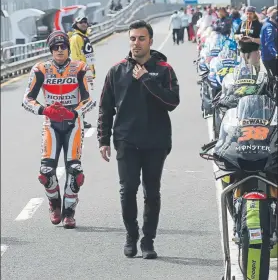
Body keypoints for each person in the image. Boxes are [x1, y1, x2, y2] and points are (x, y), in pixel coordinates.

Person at [97, 20, 180, 259]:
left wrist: (146, 79)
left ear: (150, 41)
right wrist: (103, 140)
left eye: (141, 38)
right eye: (132, 38)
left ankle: (148, 241)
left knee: (152, 192)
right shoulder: (116, 70)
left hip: (156, 142)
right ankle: (131, 236)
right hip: (126, 141)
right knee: (127, 189)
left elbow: (172, 102)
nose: (136, 43)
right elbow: (105, 107)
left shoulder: (164, 69)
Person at [22, 31, 94, 229]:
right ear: (51, 49)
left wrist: (74, 113)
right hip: (51, 123)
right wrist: (44, 109)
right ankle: (54, 203)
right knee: (46, 172)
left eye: (63, 46)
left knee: (75, 171)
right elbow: (26, 99)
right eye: (56, 47)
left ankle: (69, 211)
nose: (60, 50)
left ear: (68, 49)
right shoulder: (40, 69)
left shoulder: (80, 67)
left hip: (73, 123)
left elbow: (89, 100)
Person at [69, 16, 96, 129]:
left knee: (83, 97)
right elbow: (76, 57)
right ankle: (78, 120)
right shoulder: (76, 38)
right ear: (76, 24)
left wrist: (91, 72)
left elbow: (89, 56)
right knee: (80, 97)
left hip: (86, 72)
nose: (84, 24)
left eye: (85, 22)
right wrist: (81, 71)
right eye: (81, 22)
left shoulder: (84, 37)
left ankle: (79, 120)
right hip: (80, 72)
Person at [234, 6, 262, 72]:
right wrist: (239, 36)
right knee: (243, 73)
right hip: (242, 52)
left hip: (253, 52)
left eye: (250, 13)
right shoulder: (242, 23)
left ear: (254, 14)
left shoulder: (258, 24)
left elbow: (262, 40)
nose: (248, 15)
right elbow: (235, 35)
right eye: (247, 13)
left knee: (254, 73)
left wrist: (252, 39)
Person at [260, 10, 278, 78]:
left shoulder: (271, 25)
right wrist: (275, 54)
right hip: (270, 58)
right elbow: (269, 43)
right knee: (274, 79)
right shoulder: (269, 27)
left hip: (271, 57)